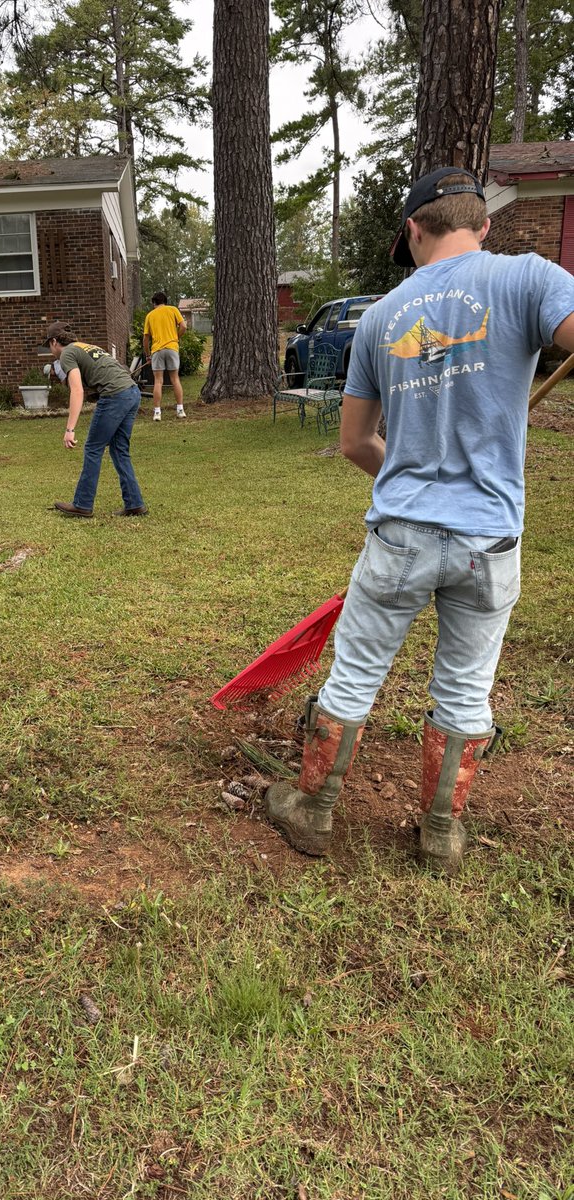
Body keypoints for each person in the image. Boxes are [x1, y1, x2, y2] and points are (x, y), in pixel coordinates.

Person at [264, 166, 574, 875]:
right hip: (488, 539)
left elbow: (354, 442)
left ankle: (312, 810)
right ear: (484, 222)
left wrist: (409, 471)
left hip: (401, 533)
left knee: (355, 674)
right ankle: (440, 834)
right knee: (466, 686)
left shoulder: (379, 318)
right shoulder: (528, 278)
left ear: (413, 231)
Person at [44, 320, 148, 518]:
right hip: (132, 392)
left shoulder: (67, 354)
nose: (51, 350)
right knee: (119, 450)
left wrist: (69, 430)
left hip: (115, 395)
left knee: (93, 448)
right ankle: (135, 503)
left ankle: (82, 504)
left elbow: (77, 390)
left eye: (49, 345)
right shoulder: (86, 347)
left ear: (55, 341)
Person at [142, 291, 186, 420]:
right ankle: (180, 410)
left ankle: (157, 413)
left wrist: (148, 356)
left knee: (158, 381)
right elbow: (183, 326)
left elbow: (146, 339)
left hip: (157, 350)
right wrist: (175, 338)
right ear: (165, 301)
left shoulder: (150, 315)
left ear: (153, 303)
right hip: (172, 348)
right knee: (175, 379)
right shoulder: (173, 310)